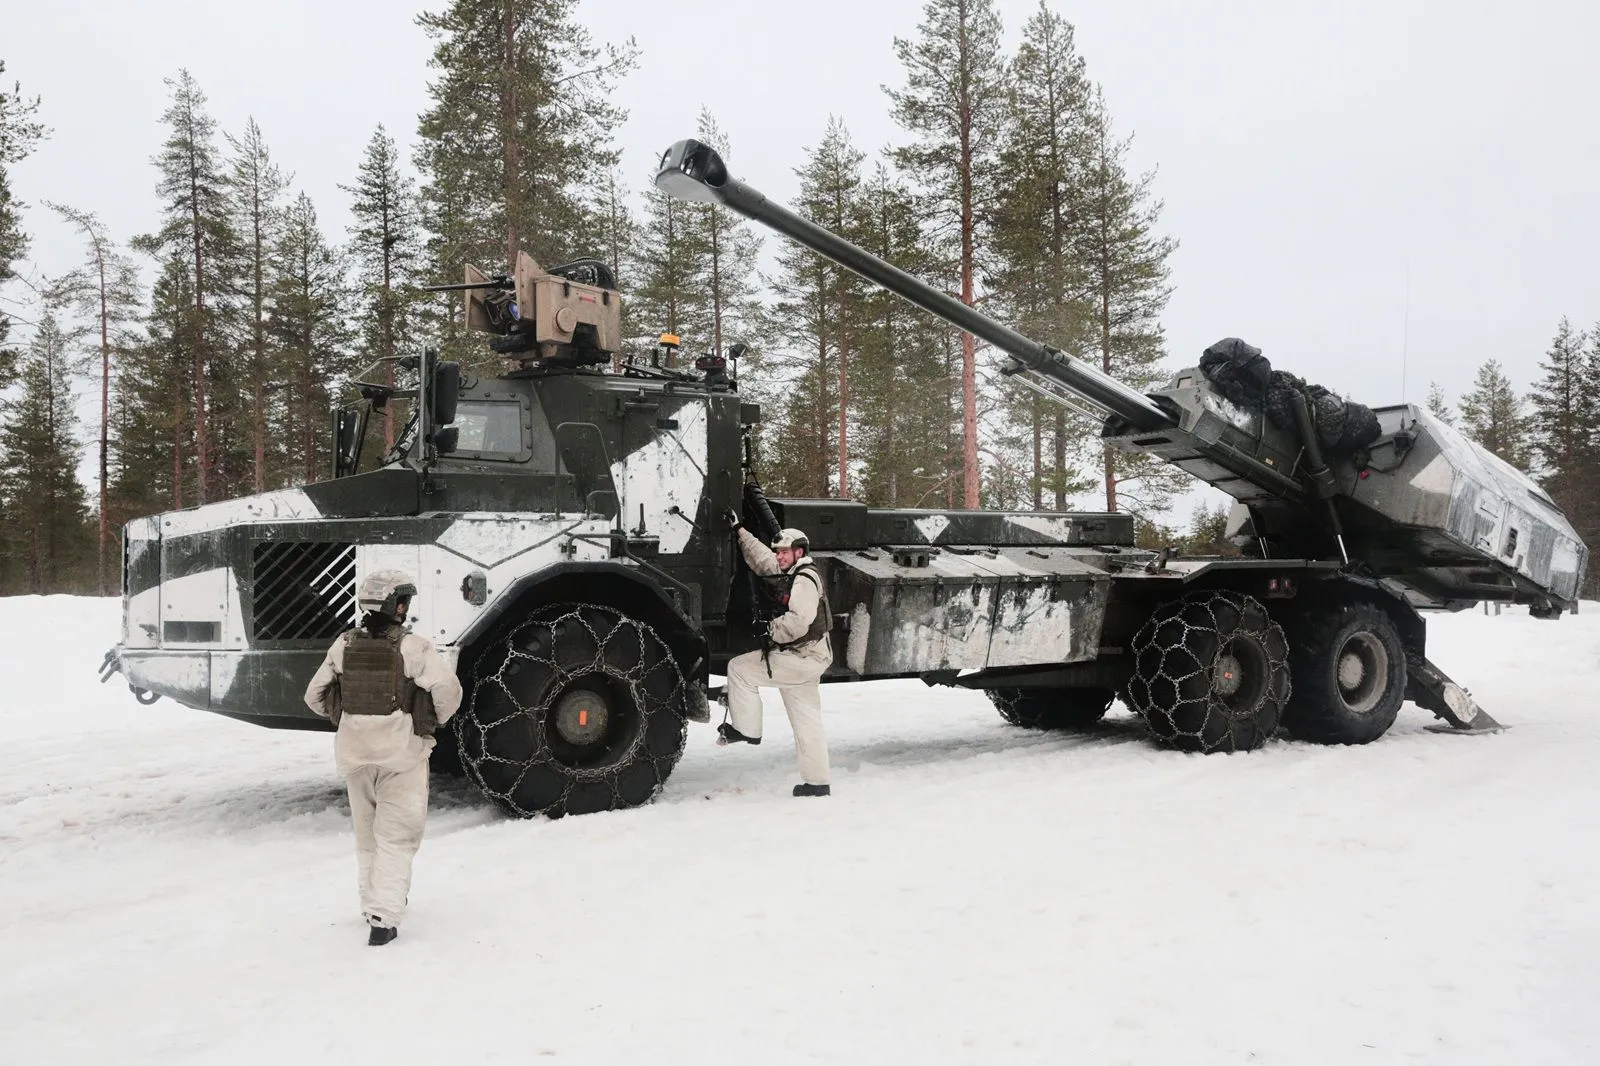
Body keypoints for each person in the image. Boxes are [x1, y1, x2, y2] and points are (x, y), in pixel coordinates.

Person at [304, 569, 464, 946]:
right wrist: (428, 721)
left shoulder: (343, 644)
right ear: (399, 606)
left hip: (354, 756)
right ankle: (384, 918)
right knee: (397, 838)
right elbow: (449, 691)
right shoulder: (414, 647)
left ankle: (371, 905)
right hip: (400, 757)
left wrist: (349, 718)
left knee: (367, 838)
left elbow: (314, 696)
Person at [718, 512, 834, 797]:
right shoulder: (789, 571)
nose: (779, 557)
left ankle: (747, 730)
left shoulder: (805, 580)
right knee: (807, 720)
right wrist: (740, 531)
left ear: (800, 552)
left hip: (803, 657)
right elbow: (762, 560)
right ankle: (817, 783)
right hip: (809, 658)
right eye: (779, 552)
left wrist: (769, 630)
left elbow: (798, 621)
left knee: (739, 669)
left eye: (785, 552)